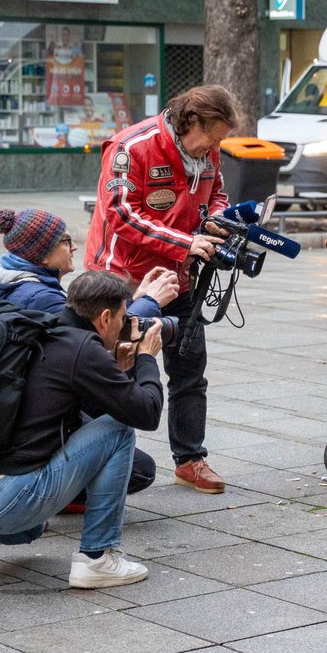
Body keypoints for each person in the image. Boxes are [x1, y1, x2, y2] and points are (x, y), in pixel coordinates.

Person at [0, 270, 163, 588]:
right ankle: (98, 557)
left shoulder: (42, 329)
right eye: (124, 317)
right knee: (119, 430)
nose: (126, 325)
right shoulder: (82, 348)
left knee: (36, 526)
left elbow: (78, 404)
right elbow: (146, 413)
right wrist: (147, 358)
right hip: (5, 502)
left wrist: (115, 372)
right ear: (105, 317)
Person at [84, 85, 238, 495]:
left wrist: (216, 220)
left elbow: (217, 194)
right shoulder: (132, 147)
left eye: (219, 142)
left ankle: (190, 459)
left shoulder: (208, 152)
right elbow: (119, 213)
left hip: (179, 278)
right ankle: (91, 461)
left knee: (190, 370)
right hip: (122, 281)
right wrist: (185, 242)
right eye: (212, 138)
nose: (214, 149)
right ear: (191, 121)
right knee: (112, 371)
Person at [0, 207, 179, 507]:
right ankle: (57, 500)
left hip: (13, 409)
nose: (74, 246)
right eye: (65, 241)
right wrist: (150, 305)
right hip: (31, 423)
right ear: (43, 255)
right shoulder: (40, 298)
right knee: (137, 466)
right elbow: (91, 337)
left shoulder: (13, 281)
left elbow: (93, 321)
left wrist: (130, 300)